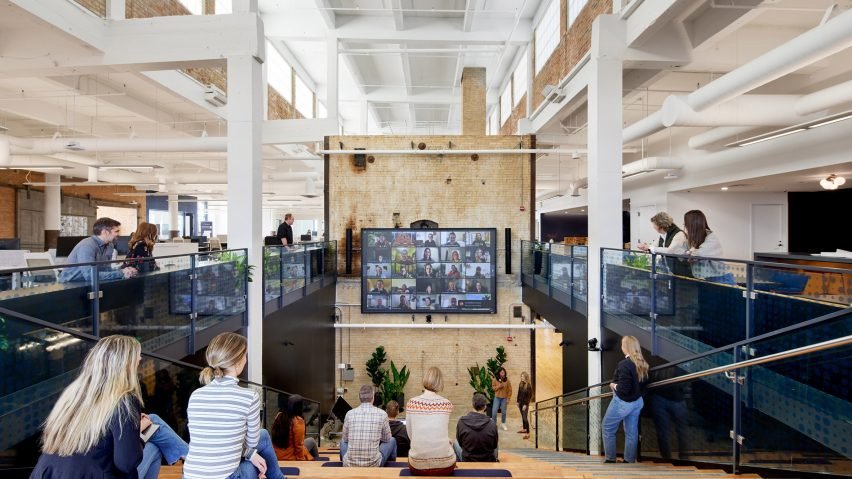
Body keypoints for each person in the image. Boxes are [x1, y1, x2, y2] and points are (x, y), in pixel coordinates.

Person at [30, 335, 188, 479]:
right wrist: (139, 435)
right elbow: (126, 464)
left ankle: (195, 458)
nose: (140, 360)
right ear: (124, 365)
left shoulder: (73, 395)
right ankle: (197, 460)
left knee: (153, 423)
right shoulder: (124, 401)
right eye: (137, 360)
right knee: (153, 436)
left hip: (49, 474)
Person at [184, 333, 284, 479]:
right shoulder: (250, 397)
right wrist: (251, 455)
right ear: (238, 361)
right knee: (253, 459)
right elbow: (252, 443)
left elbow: (206, 439)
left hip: (190, 475)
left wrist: (250, 453)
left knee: (263, 435)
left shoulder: (195, 396)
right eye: (245, 355)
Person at [602, 335, 649, 464]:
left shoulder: (624, 365)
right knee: (631, 432)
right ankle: (629, 460)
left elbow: (624, 388)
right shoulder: (642, 363)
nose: (621, 347)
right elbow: (643, 385)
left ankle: (611, 459)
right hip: (637, 402)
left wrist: (613, 385)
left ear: (626, 348)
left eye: (622, 345)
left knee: (607, 428)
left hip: (623, 402)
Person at [405, 367, 456, 475]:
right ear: (440, 382)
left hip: (417, 466)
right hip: (445, 466)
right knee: (451, 443)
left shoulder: (411, 403)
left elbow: (410, 434)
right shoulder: (446, 404)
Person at [58, 217, 138, 282]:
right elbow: (89, 275)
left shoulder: (110, 245)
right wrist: (120, 273)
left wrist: (124, 270)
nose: (119, 234)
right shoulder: (87, 246)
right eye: (116, 231)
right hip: (71, 285)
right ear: (105, 232)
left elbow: (105, 269)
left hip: (90, 283)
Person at [341, 385, 396, 467]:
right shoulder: (382, 414)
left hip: (349, 464)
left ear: (359, 397)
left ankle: (342, 467)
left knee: (342, 441)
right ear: (373, 397)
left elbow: (345, 439)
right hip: (374, 464)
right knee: (392, 440)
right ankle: (391, 467)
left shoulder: (349, 414)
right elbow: (387, 439)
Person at [683, 210, 735, 284]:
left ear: (693, 225)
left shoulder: (711, 237)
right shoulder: (697, 239)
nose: (685, 227)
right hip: (707, 277)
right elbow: (689, 254)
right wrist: (690, 253)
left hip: (721, 278)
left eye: (686, 224)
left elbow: (699, 254)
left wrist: (690, 253)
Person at [271, 395, 319, 461]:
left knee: (310, 441)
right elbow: (298, 445)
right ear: (299, 407)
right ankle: (317, 463)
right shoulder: (298, 420)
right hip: (291, 456)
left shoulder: (279, 416)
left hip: (277, 456)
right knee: (311, 441)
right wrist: (301, 461)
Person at [454, 393, 498, 462]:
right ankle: (494, 460)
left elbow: (460, 443)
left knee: (455, 442)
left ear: (472, 405)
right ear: (485, 407)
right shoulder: (492, 423)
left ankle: (461, 467)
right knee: (495, 443)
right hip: (487, 459)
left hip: (468, 459)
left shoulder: (461, 421)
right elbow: (494, 445)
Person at [516, 372, 534, 437]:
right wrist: (517, 402)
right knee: (522, 417)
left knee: (525, 417)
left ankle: (528, 432)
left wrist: (526, 404)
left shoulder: (528, 386)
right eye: (521, 376)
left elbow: (529, 396)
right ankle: (524, 429)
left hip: (524, 404)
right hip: (520, 403)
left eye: (522, 376)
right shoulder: (521, 384)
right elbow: (519, 393)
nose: (521, 377)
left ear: (526, 377)